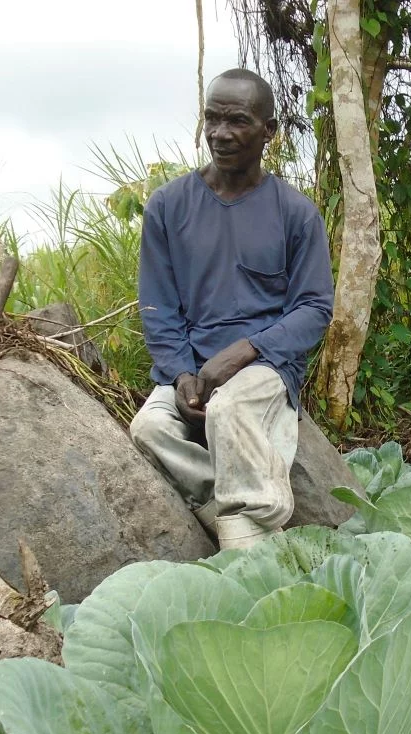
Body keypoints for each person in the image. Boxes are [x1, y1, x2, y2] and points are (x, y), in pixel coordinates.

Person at [129, 69, 334, 549]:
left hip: (268, 365)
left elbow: (313, 309)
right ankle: (220, 505)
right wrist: (181, 373)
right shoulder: (167, 206)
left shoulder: (295, 212)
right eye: (211, 118)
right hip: (191, 364)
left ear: (269, 130)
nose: (220, 134)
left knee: (230, 409)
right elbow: (158, 307)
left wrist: (245, 351)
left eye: (237, 121)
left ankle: (248, 535)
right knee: (150, 427)